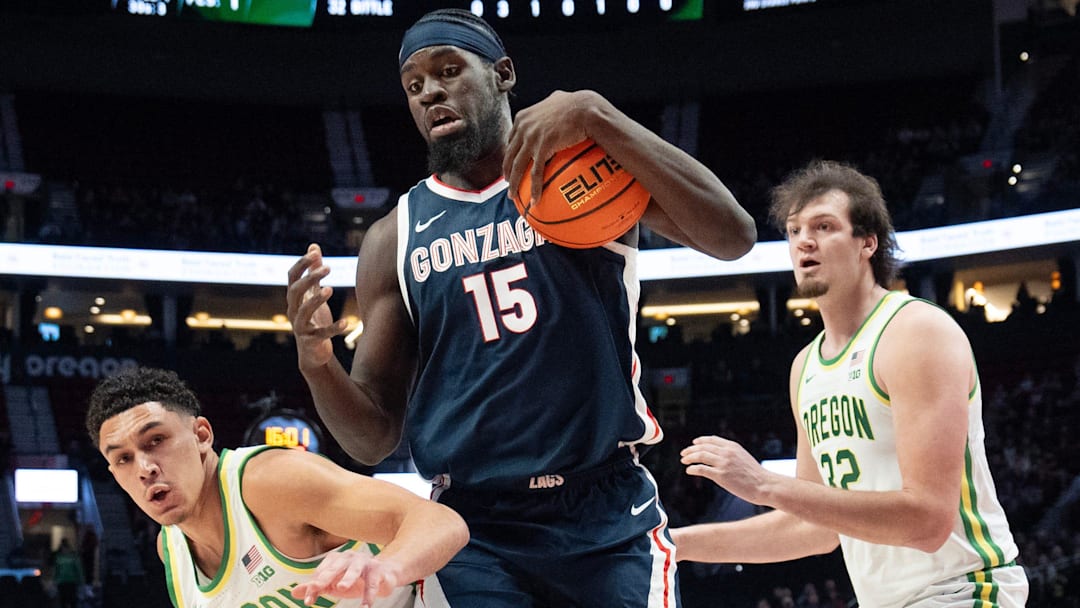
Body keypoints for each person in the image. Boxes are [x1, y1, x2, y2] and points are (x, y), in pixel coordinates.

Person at [286, 8, 756, 607]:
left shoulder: (582, 169)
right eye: (413, 85)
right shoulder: (393, 236)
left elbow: (733, 235)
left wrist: (596, 114)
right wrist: (317, 363)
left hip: (604, 510)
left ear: (503, 73)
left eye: (449, 70)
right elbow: (373, 438)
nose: (430, 91)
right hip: (472, 529)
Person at [671, 160, 1028, 607]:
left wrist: (763, 485)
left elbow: (928, 521)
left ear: (867, 243)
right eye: (794, 229)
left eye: (824, 226)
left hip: (964, 591)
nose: (804, 240)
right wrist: (676, 545)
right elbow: (813, 527)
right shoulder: (806, 366)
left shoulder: (914, 331)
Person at [85, 366, 468, 608]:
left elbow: (442, 522)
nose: (145, 468)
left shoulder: (269, 483)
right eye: (123, 458)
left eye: (156, 440)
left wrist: (385, 567)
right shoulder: (172, 552)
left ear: (202, 434)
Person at [50, 538, 84, 608]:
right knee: (73, 601)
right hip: (72, 581)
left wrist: (54, 581)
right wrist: (81, 581)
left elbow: (55, 570)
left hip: (61, 582)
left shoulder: (58, 558)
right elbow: (79, 570)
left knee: (63, 601)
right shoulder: (74, 557)